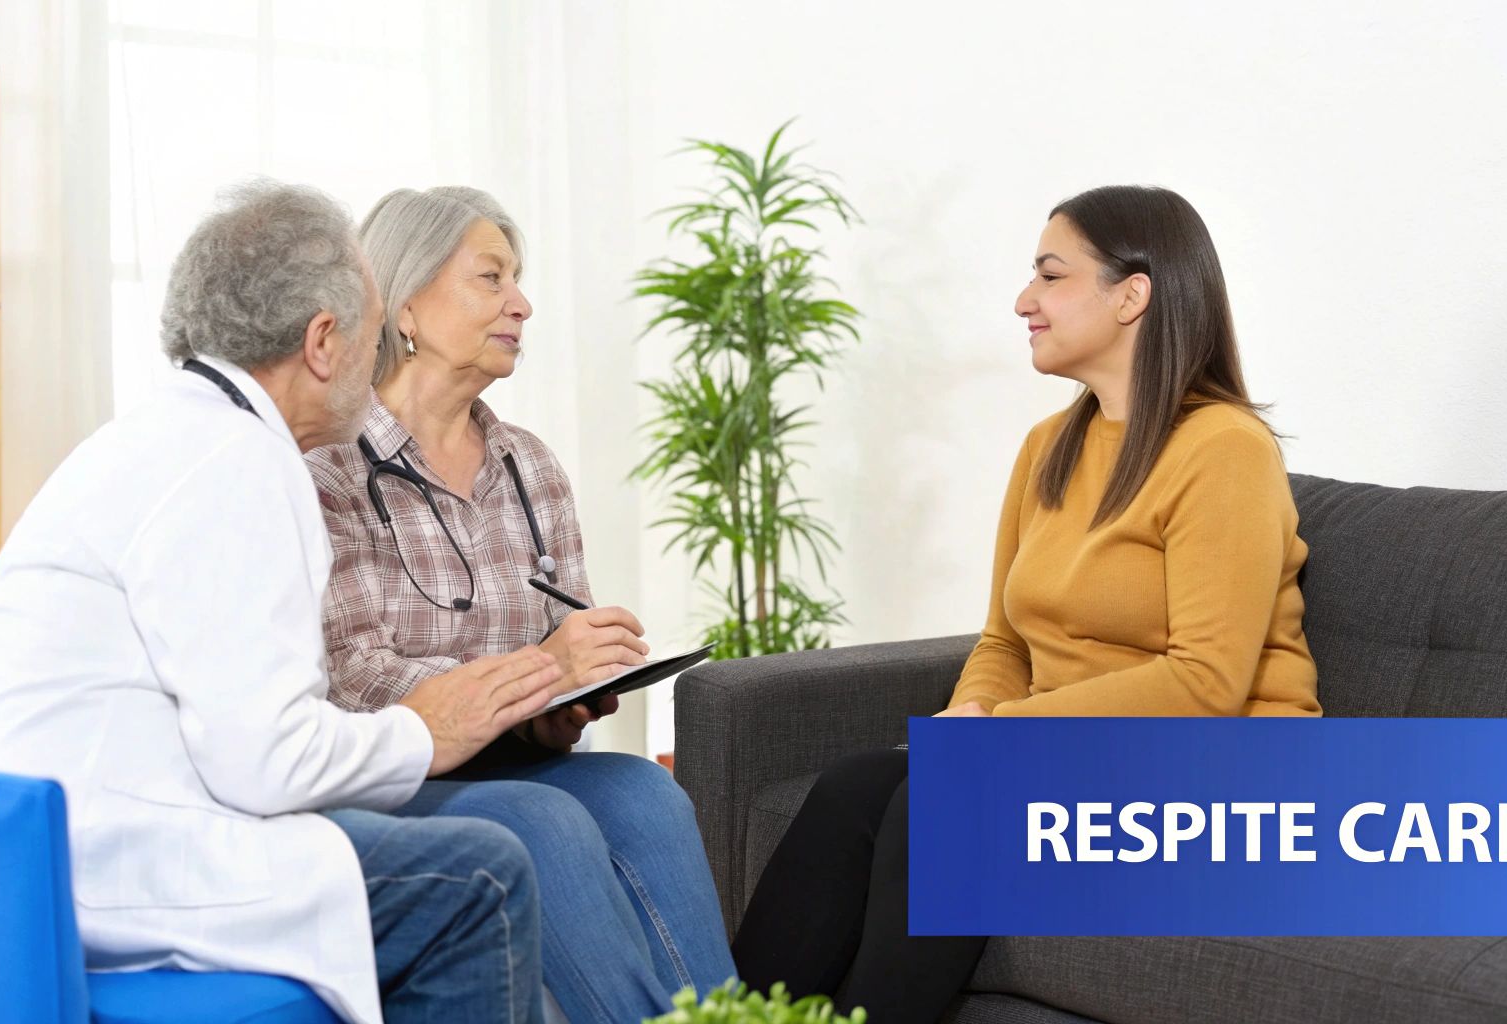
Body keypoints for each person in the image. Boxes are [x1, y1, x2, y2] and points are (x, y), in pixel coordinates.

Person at [0, 182, 573, 1024]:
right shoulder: (239, 464)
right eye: (371, 333)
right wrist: (426, 730)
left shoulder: (158, 434)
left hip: (11, 847)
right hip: (104, 860)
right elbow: (268, 763)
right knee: (482, 875)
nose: (378, 359)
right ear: (323, 342)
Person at [730, 185, 1323, 1022]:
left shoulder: (1224, 448)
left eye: (1050, 276)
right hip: (1073, 758)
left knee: (945, 803)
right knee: (852, 790)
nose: (1023, 301)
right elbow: (1006, 639)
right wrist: (974, 711)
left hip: (1222, 771)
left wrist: (1001, 733)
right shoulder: (1051, 446)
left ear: (1132, 294)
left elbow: (1206, 683)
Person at [304, 185, 735, 1024]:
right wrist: (541, 671)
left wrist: (572, 695)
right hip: (388, 774)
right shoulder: (331, 467)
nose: (522, 304)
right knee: (543, 818)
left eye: (519, 280)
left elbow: (561, 638)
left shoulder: (527, 465)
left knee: (647, 795)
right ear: (406, 305)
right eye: (491, 277)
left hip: (513, 761)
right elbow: (355, 677)